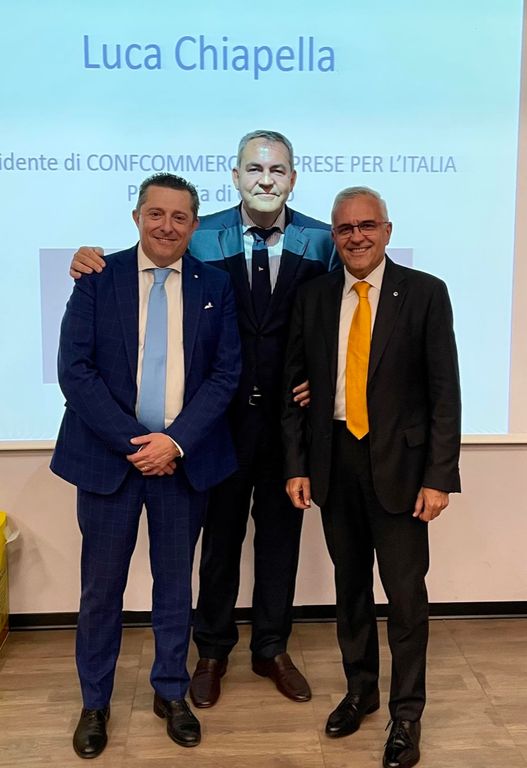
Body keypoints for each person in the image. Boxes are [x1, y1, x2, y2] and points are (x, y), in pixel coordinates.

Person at [69, 129, 338, 709]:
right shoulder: (201, 234)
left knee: (281, 539)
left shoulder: (323, 240)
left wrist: (331, 377)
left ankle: (271, 647)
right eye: (254, 169)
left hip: (288, 422)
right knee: (217, 542)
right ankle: (211, 651)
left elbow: (340, 310)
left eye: (278, 170)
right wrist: (88, 257)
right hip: (215, 427)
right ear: (235, 176)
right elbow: (146, 279)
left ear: (293, 178)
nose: (266, 179)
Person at [51, 173, 241, 758]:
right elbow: (75, 371)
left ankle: (171, 692)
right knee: (101, 590)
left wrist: (174, 443)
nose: (166, 226)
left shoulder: (216, 285)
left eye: (180, 217)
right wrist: (137, 443)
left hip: (182, 464)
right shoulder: (96, 278)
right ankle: (95, 702)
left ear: (195, 225)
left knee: (175, 587)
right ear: (137, 217)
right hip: (110, 462)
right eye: (156, 214)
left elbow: (225, 374)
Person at [282, 186, 461, 768]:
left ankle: (406, 716)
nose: (356, 236)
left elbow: (444, 394)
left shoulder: (426, 293)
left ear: (387, 230)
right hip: (334, 462)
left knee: (405, 597)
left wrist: (439, 477)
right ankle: (361, 691)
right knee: (350, 588)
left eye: (367, 226)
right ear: (334, 237)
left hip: (402, 472)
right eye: (345, 229)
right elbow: (294, 390)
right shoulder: (313, 297)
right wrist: (297, 465)